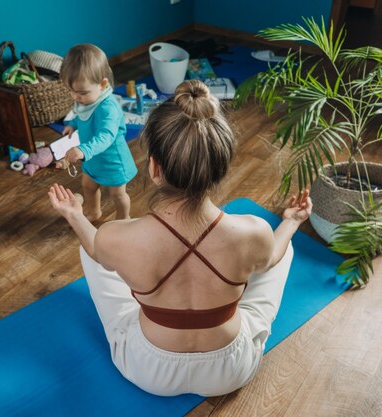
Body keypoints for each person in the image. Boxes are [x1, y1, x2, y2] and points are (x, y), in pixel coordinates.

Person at [48, 80, 312, 397]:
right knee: (277, 252)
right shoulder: (254, 230)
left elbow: (94, 247)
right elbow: (270, 259)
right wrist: (291, 222)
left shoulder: (117, 235)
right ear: (221, 167)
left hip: (149, 371)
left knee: (94, 251)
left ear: (155, 169)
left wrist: (74, 214)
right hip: (229, 371)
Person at [60, 44, 138, 220]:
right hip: (93, 157)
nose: (75, 97)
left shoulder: (108, 108)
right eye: (71, 91)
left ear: (102, 84)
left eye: (81, 93)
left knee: (117, 195)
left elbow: (106, 136)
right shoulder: (85, 99)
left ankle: (124, 219)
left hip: (112, 160)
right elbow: (80, 114)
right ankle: (94, 212)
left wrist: (83, 150)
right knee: (88, 186)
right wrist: (72, 124)